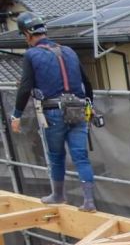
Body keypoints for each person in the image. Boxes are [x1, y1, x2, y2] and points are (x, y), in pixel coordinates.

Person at [10, 12, 96, 211]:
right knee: (81, 157)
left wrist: (16, 115)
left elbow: (25, 88)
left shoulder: (32, 55)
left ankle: (58, 195)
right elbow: (88, 84)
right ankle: (89, 202)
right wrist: (89, 108)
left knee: (56, 156)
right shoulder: (68, 51)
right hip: (78, 109)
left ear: (27, 34)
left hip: (53, 111)